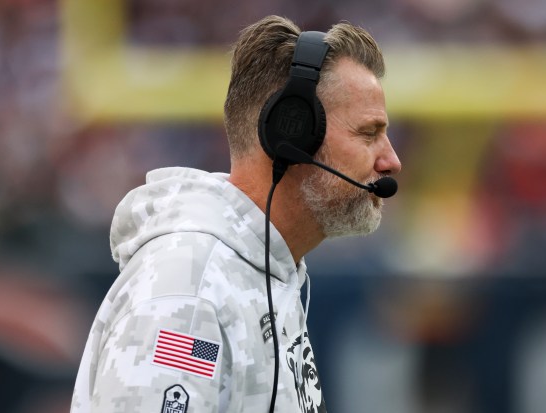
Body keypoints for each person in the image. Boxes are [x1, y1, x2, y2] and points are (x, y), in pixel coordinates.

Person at [71, 14, 401, 413]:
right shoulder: (190, 294)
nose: (391, 161)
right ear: (292, 137)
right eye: (368, 133)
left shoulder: (263, 272)